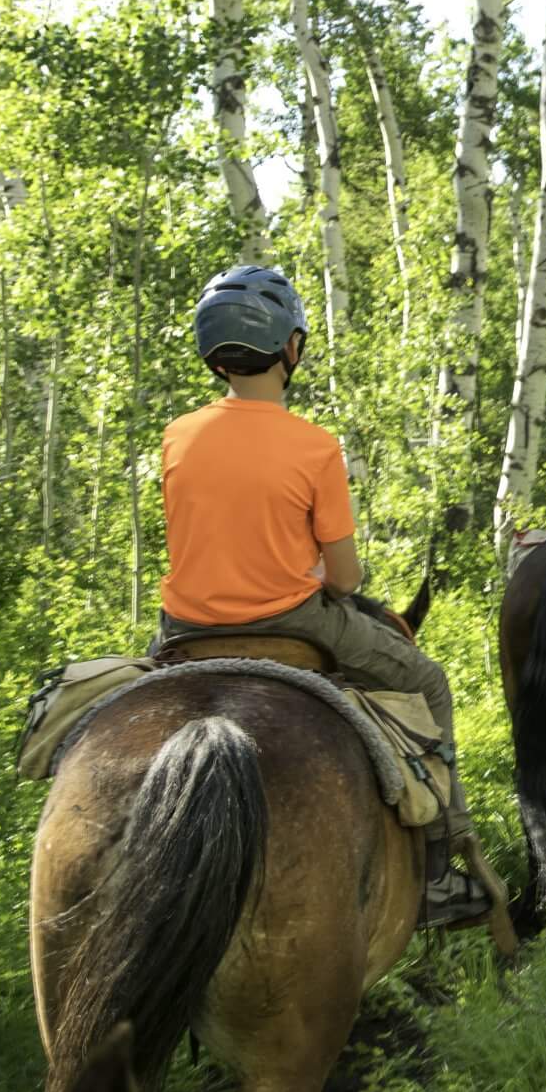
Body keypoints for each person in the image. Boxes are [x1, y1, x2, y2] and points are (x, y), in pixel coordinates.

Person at [155, 264, 489, 929]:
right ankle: (440, 870)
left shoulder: (176, 434)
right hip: (292, 616)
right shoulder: (313, 445)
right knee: (428, 679)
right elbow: (343, 579)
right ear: (291, 348)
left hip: (182, 628)